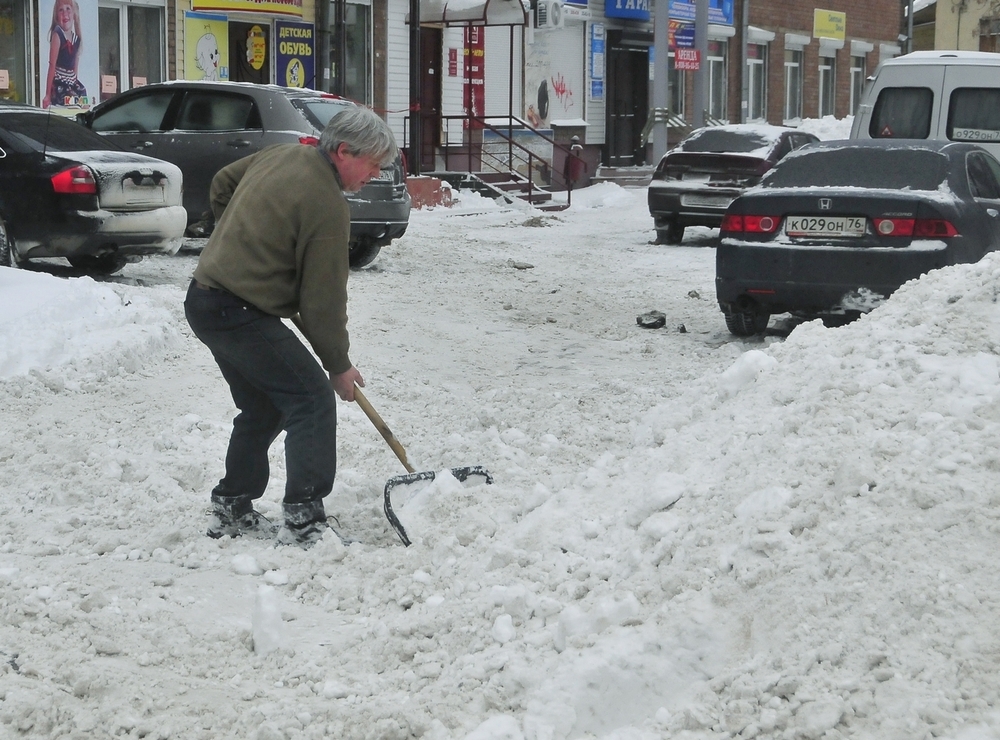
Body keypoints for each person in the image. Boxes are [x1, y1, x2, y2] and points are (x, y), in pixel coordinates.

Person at [183, 105, 397, 547]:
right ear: (343, 151)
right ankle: (304, 520)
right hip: (237, 311)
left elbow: (224, 182)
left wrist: (243, 239)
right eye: (373, 164)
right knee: (311, 398)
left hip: (206, 299)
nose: (375, 175)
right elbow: (323, 300)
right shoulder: (326, 204)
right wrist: (338, 365)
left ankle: (232, 506)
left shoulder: (281, 154)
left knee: (265, 406)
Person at [43, 0, 87, 109]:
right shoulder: (58, 35)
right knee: (69, 99)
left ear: (74, 15)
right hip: (60, 83)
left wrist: (75, 86)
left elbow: (74, 69)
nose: (65, 14)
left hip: (70, 82)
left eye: (68, 9)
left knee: (84, 98)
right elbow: (52, 65)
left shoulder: (76, 39)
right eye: (61, 10)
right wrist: (47, 95)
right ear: (56, 16)